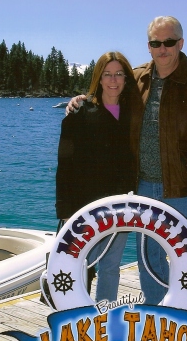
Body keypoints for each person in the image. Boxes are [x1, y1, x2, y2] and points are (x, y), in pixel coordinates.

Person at [67, 16, 187, 305]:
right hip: (143, 187)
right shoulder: (137, 78)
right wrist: (82, 100)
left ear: (181, 43)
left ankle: (182, 321)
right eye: (156, 43)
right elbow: (110, 94)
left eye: (169, 42)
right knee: (149, 260)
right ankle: (157, 322)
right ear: (149, 46)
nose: (162, 49)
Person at [56, 51, 141, 302]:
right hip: (84, 205)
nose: (113, 80)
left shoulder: (134, 113)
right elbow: (64, 165)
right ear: (98, 78)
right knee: (80, 266)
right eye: (107, 74)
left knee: (111, 266)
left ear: (126, 78)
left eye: (118, 74)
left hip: (120, 204)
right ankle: (76, 320)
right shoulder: (80, 112)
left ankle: (104, 322)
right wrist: (64, 210)